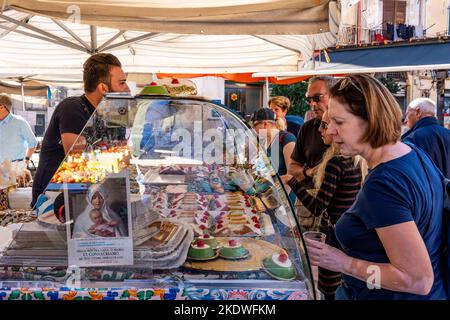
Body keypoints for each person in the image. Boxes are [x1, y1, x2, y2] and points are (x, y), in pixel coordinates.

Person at [306, 74, 446, 300]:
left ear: (371, 120)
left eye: (339, 122)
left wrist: (344, 263)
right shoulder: (412, 152)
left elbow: (417, 280)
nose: (330, 131)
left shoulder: (383, 185)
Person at [282, 110, 366, 300]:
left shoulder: (335, 163)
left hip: (333, 234)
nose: (320, 129)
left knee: (328, 288)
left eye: (325, 125)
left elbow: (317, 207)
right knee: (341, 282)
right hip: (346, 232)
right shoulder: (353, 159)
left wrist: (292, 182)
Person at [32, 53, 129, 206]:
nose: (127, 88)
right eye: (122, 83)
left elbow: (121, 159)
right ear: (103, 88)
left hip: (85, 196)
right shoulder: (72, 108)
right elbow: (78, 160)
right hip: (53, 201)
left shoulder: (106, 115)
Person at [288, 76, 337, 189]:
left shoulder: (349, 128)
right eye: (309, 99)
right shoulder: (307, 128)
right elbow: (292, 167)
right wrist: (308, 172)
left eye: (317, 98)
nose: (312, 104)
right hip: (310, 198)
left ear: (334, 95)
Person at [401, 97, 450, 178]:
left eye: (407, 114)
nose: (405, 120)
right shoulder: (448, 133)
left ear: (418, 111)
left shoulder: (411, 139)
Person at [250, 108, 296, 176]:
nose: (253, 129)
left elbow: (292, 174)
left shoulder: (286, 139)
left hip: (282, 185)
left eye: (254, 125)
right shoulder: (261, 140)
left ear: (265, 124)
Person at [0, 94, 37, 164]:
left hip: (15, 166)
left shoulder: (20, 122)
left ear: (2, 108)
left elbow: (33, 142)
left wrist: (26, 160)